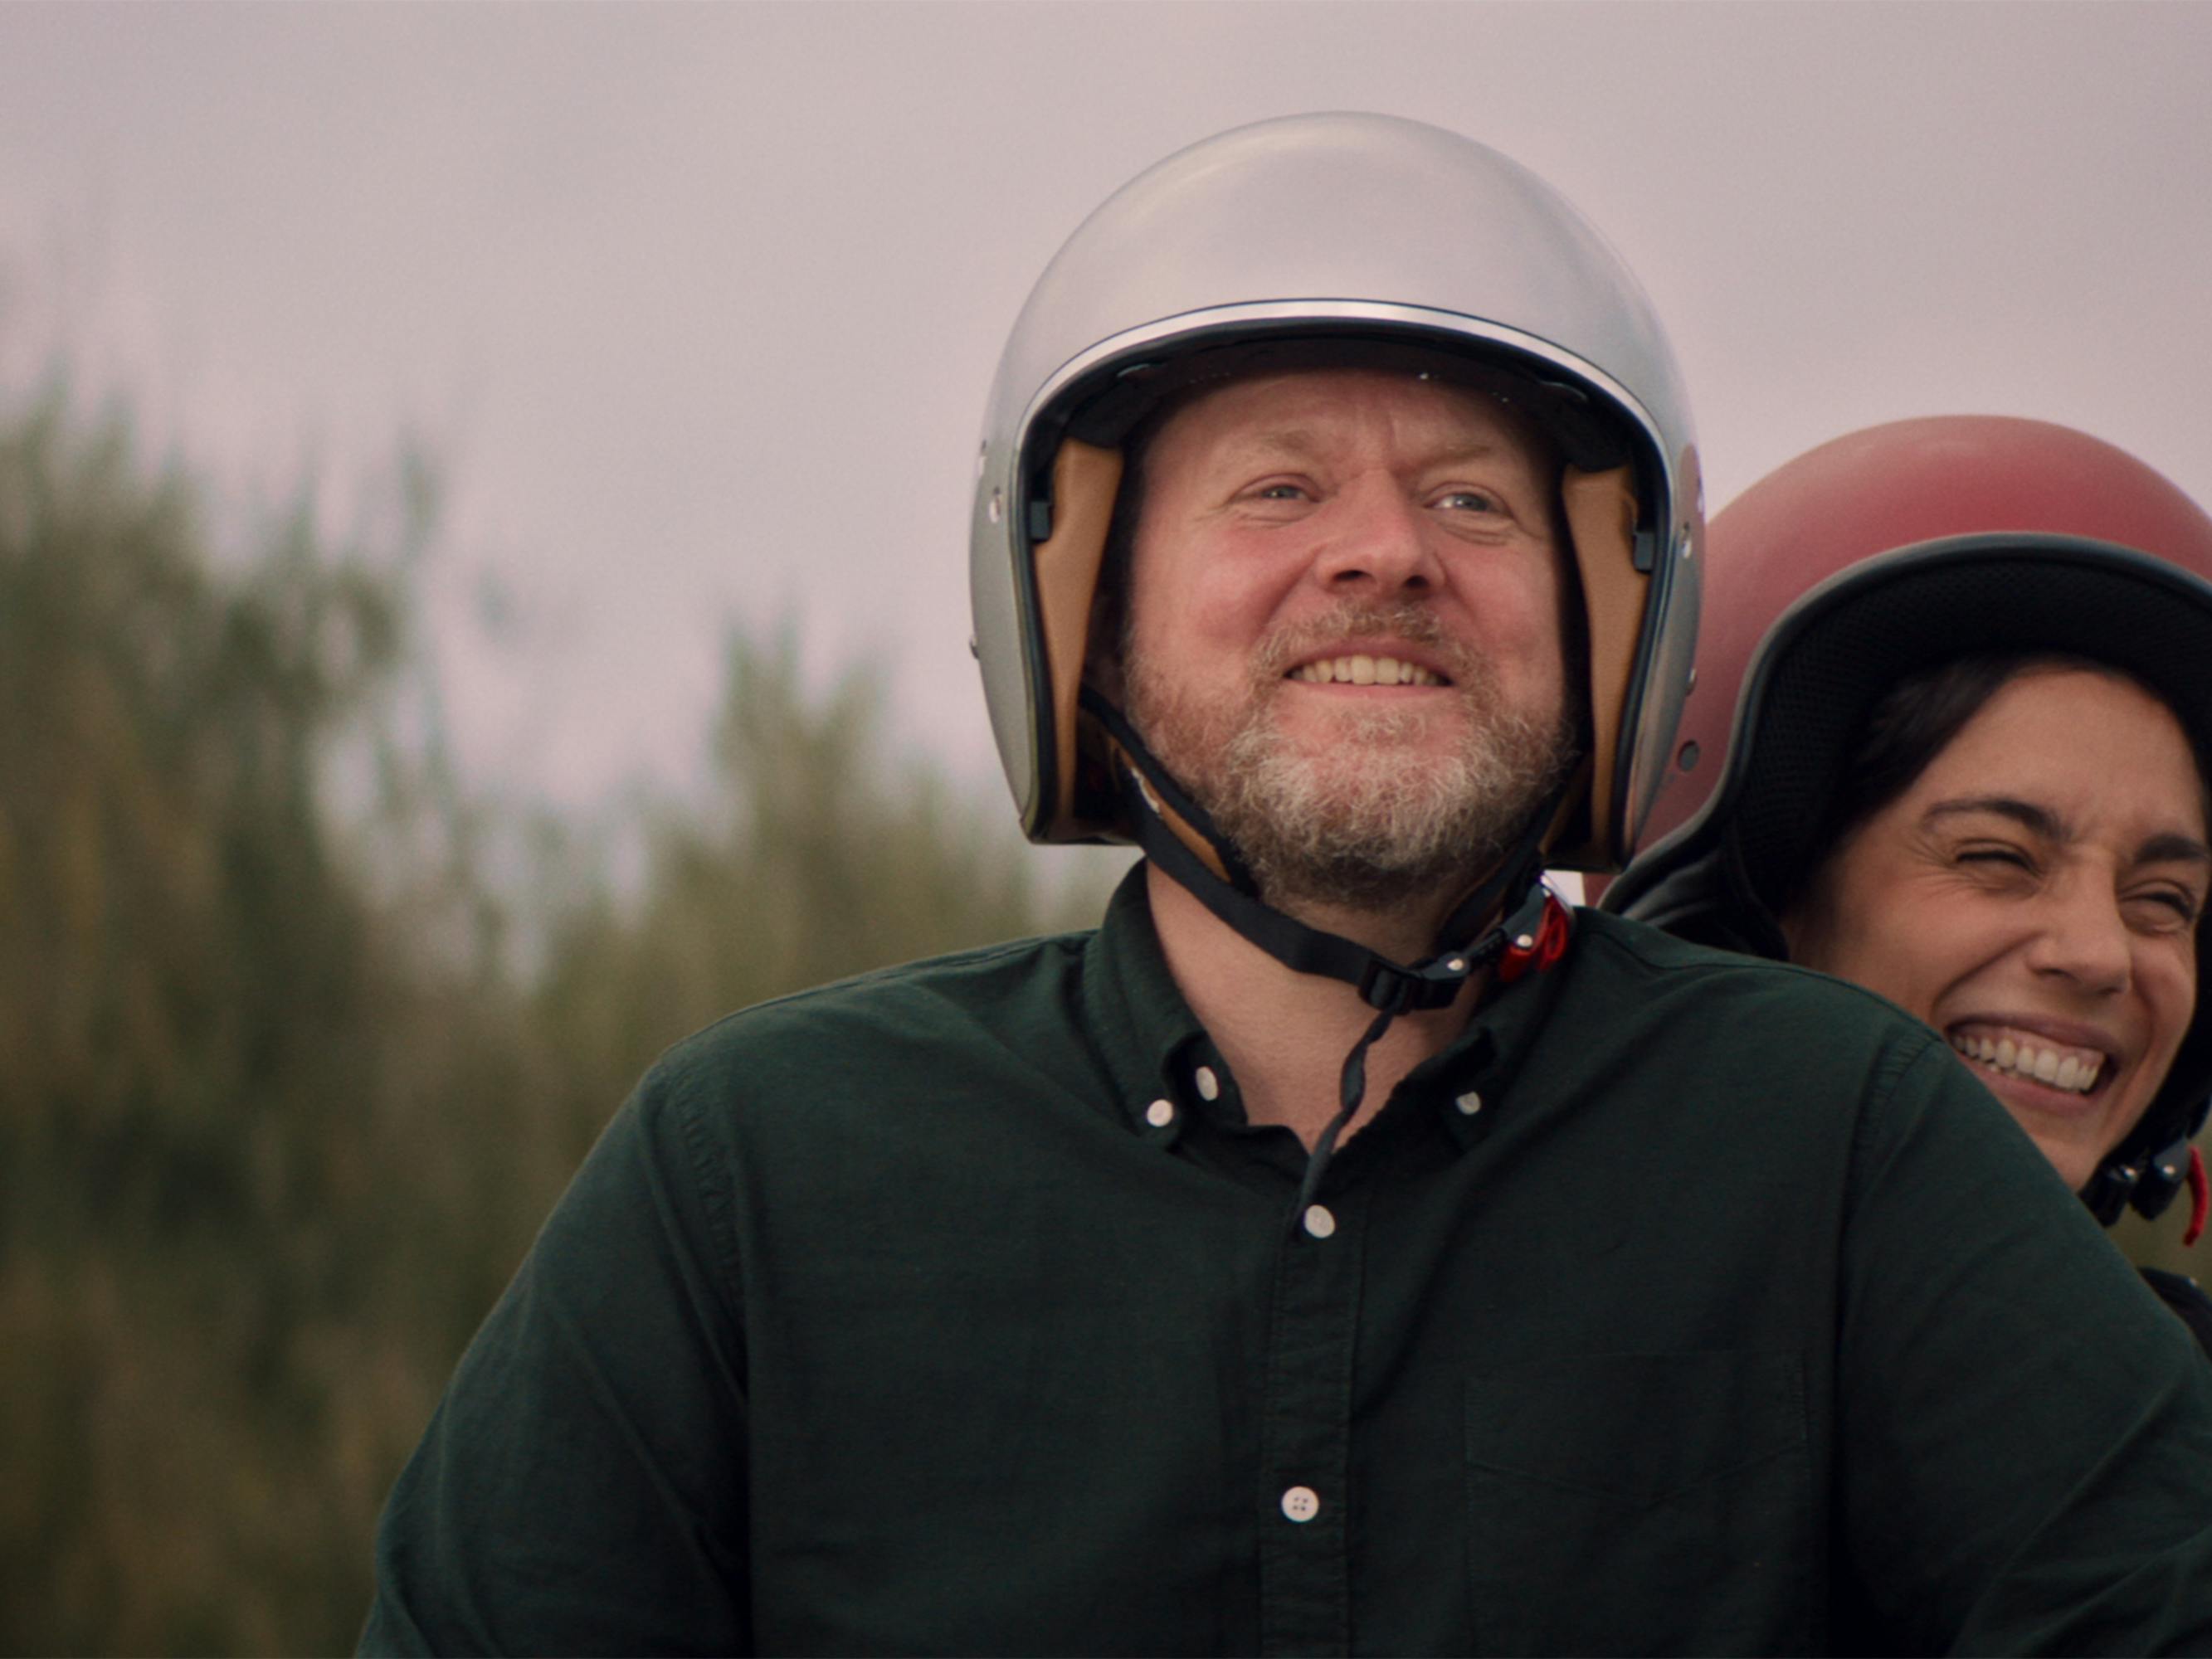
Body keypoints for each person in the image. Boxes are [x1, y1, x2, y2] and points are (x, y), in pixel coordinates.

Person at [362, 118, 2212, 1656]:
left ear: (1604, 628)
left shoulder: (1842, 1141)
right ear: (1085, 620)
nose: (1383, 555)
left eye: (1473, 503)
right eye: (1276, 489)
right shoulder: (754, 1170)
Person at [1605, 415, 2212, 1354]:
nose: (2098, 954)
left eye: (2163, 901)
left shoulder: (2179, 1425)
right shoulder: (1492, 1373)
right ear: (1750, 916)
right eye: (1997, 857)